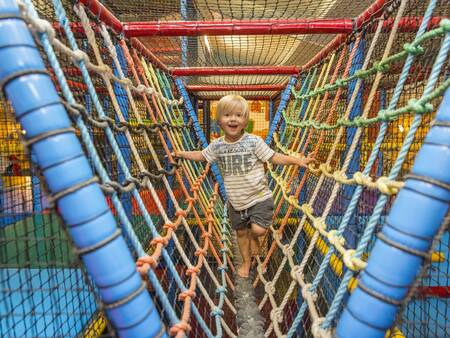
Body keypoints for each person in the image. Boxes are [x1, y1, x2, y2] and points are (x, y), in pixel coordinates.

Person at [175, 95, 315, 278]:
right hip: (236, 201)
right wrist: (181, 153)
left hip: (259, 197)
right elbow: (201, 156)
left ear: (245, 120)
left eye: (238, 115)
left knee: (258, 229)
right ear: (219, 120)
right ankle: (246, 263)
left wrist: (298, 161)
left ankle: (255, 236)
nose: (233, 119)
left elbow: (273, 157)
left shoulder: (254, 142)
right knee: (241, 233)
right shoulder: (217, 146)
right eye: (227, 115)